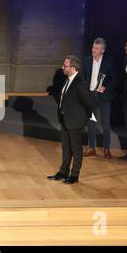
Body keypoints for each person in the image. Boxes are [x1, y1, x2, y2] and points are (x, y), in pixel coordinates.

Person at [47, 55, 94, 184]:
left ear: (73, 68)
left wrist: (84, 118)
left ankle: (74, 174)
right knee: (66, 148)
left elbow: (88, 102)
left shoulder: (80, 83)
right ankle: (63, 171)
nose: (63, 67)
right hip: (65, 119)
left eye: (65, 66)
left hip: (75, 121)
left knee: (76, 148)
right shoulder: (67, 80)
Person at [82, 37, 117, 159]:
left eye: (97, 48)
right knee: (91, 122)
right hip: (91, 96)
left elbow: (114, 79)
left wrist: (105, 87)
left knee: (105, 123)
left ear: (103, 50)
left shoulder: (109, 61)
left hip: (104, 96)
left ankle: (106, 148)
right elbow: (82, 78)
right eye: (93, 47)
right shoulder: (86, 60)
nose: (93, 50)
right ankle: (91, 147)